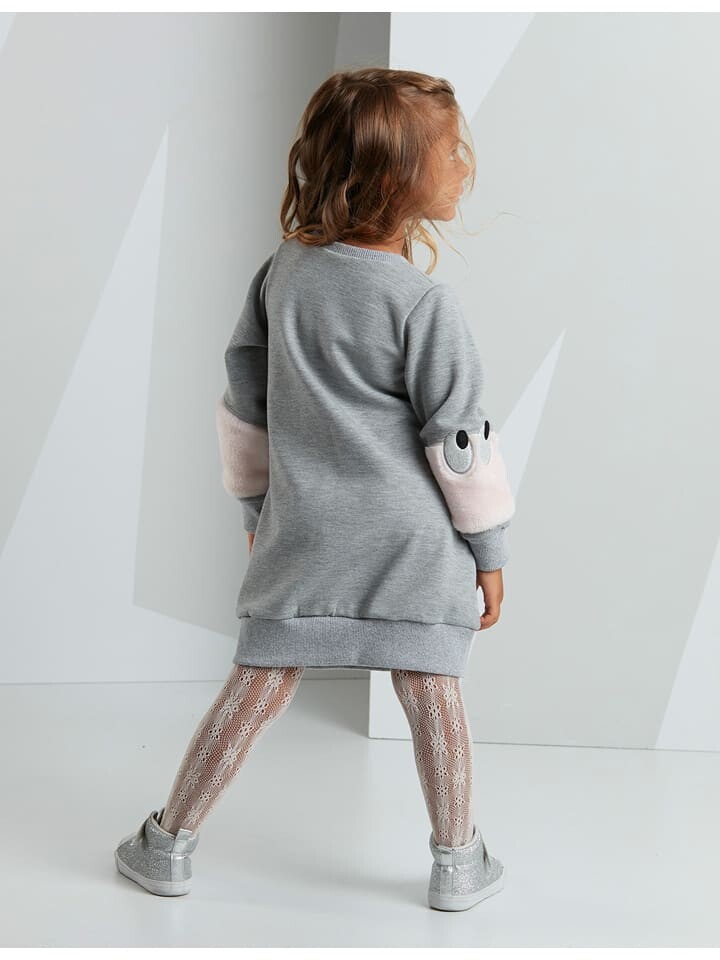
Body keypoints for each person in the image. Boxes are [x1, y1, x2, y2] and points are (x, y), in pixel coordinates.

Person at [114, 66, 516, 913]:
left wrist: (257, 510)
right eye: (450, 151)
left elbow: (245, 408)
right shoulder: (423, 304)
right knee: (430, 689)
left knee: (258, 684)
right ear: (394, 175)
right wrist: (489, 549)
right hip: (413, 542)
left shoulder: (283, 275)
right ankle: (457, 862)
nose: (465, 166)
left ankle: (166, 844)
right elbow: (459, 440)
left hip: (305, 533)